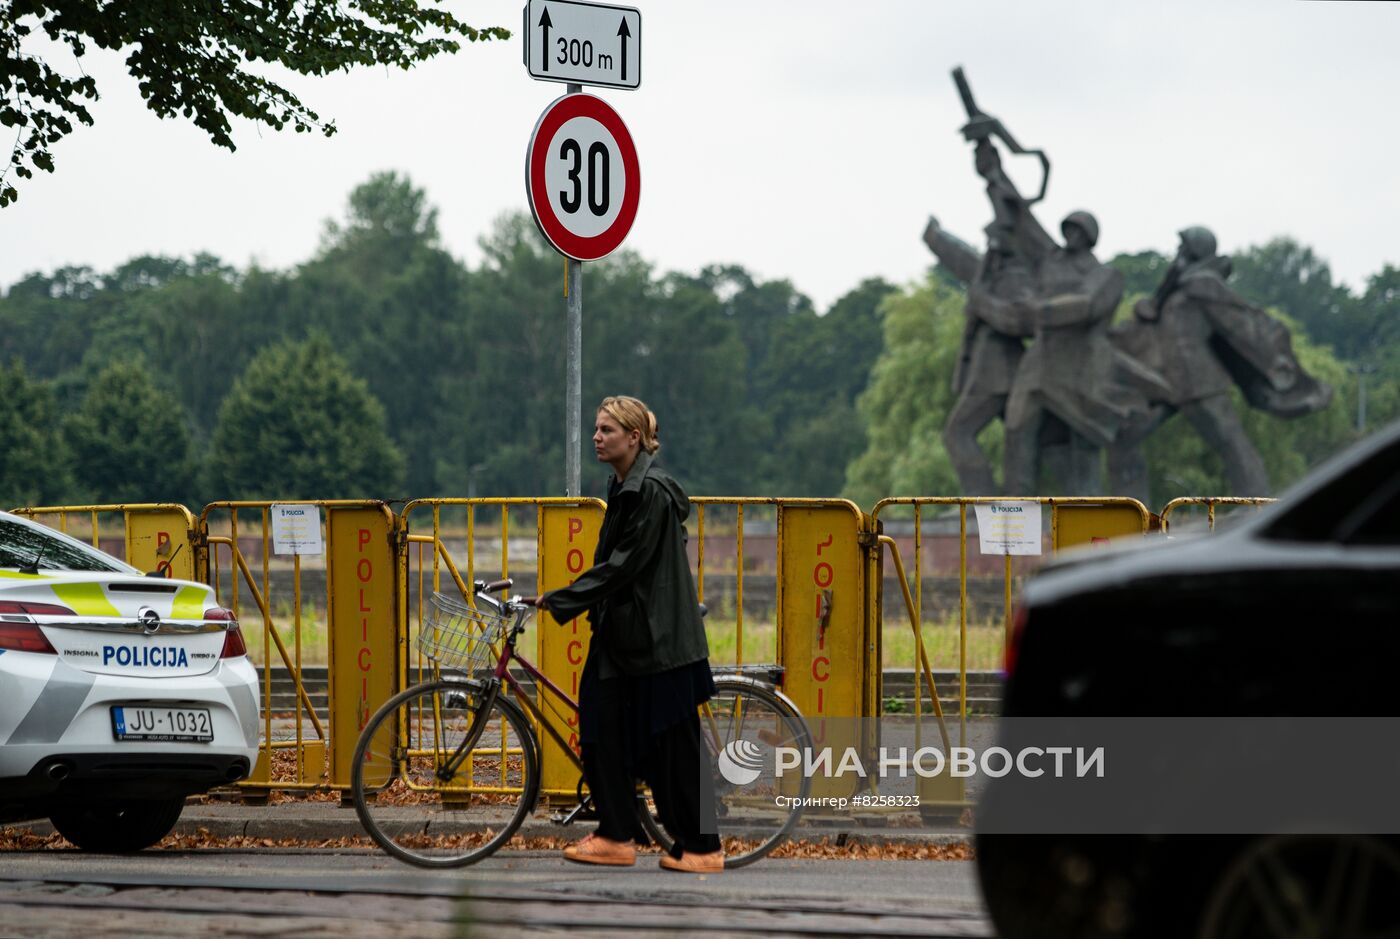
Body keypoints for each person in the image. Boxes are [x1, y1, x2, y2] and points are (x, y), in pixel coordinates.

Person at [535, 395, 723, 873]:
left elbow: (623, 566)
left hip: (660, 643)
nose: (596, 437)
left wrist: (563, 598)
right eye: (597, 430)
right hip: (629, 639)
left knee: (674, 747)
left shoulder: (651, 492)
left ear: (634, 438)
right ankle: (617, 836)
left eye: (607, 430)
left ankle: (703, 848)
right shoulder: (623, 487)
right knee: (602, 729)